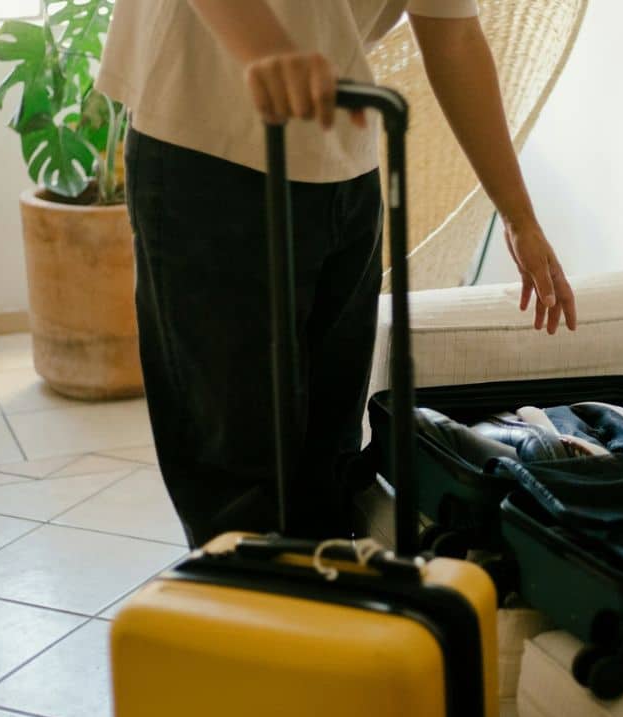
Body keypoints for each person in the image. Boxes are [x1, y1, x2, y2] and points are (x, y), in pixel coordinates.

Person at [97, 0, 577, 547]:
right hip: (204, 145)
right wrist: (268, 48)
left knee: (328, 468)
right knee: (236, 478)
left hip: (342, 168)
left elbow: (453, 38)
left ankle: (320, 617)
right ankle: (248, 616)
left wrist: (518, 216)